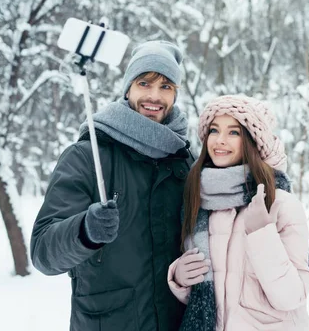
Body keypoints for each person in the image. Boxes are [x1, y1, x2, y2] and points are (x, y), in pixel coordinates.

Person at [31, 41, 192, 331]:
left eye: (166, 86)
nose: (154, 96)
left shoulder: (184, 159)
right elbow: (43, 252)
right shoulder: (88, 156)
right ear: (128, 88)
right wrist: (84, 231)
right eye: (145, 83)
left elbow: (221, 224)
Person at [167, 95, 309, 330]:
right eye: (214, 131)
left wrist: (262, 234)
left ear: (253, 141)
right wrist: (181, 279)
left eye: (234, 133)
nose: (220, 141)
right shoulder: (198, 202)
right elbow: (216, 302)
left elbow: (291, 297)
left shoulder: (280, 204)